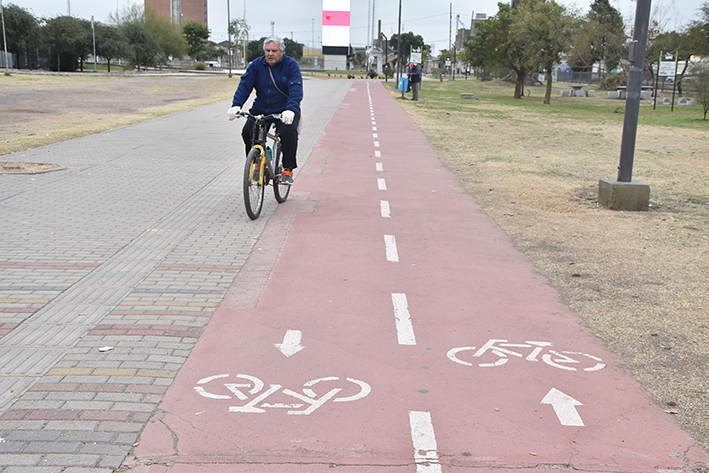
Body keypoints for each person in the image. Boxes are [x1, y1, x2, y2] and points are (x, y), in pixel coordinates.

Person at [227, 36, 303, 185]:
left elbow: (296, 90)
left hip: (284, 110)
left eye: (274, 50)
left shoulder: (291, 66)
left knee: (289, 132)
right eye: (267, 50)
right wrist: (236, 105)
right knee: (247, 131)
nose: (270, 54)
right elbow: (245, 85)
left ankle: (287, 169)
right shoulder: (256, 65)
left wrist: (291, 109)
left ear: (282, 51)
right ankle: (258, 161)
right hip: (261, 108)